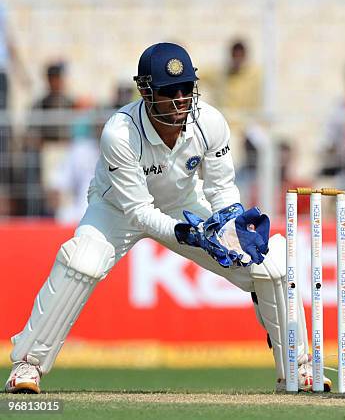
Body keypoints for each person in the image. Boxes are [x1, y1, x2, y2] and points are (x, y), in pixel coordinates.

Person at [5, 43, 328, 394]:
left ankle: (298, 368)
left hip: (184, 204)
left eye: (185, 89)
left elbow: (222, 190)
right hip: (117, 209)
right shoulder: (120, 132)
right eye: (168, 92)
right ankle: (28, 365)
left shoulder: (210, 121)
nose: (180, 100)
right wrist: (186, 233)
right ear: (145, 91)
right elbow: (139, 211)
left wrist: (231, 224)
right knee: (83, 261)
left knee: (269, 262)